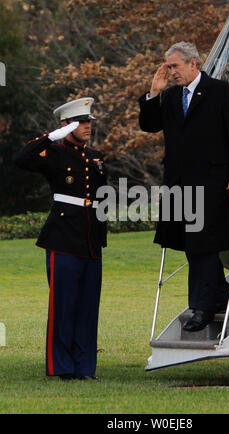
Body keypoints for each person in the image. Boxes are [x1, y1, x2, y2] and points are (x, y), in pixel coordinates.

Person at [139, 42, 229, 332]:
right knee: (194, 246)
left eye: (175, 66)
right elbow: (149, 125)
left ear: (194, 64)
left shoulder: (222, 92)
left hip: (215, 185)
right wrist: (154, 92)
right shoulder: (172, 96)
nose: (172, 72)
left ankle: (201, 308)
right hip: (180, 186)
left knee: (202, 244)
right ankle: (225, 298)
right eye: (168, 67)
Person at [14, 98, 107, 380]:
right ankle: (62, 367)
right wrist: (49, 138)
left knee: (88, 307)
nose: (88, 126)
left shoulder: (95, 156)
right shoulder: (54, 153)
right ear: (66, 126)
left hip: (91, 238)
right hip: (63, 237)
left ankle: (85, 367)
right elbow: (21, 159)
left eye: (89, 121)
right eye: (82, 122)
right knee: (63, 306)